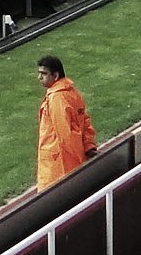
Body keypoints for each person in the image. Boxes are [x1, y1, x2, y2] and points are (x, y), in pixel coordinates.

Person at [34, 56, 96, 190]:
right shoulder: (73, 93)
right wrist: (89, 147)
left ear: (55, 75)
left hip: (58, 165)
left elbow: (65, 135)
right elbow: (84, 122)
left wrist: (77, 166)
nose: (39, 77)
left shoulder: (57, 98)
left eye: (43, 73)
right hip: (68, 161)